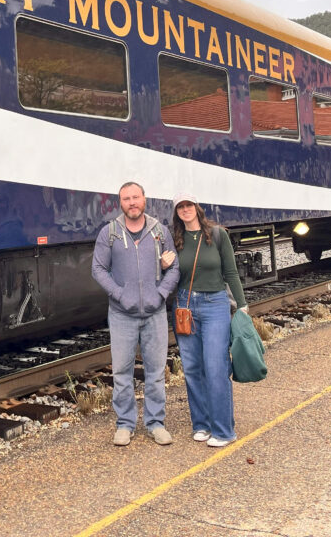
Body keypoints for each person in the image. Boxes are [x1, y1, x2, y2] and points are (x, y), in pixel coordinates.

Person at [92, 182, 180, 446]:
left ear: (144, 200)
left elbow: (174, 267)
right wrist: (120, 295)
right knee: (121, 372)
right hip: (121, 315)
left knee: (155, 372)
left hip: (154, 314)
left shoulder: (159, 231)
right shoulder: (110, 233)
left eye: (135, 197)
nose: (132, 202)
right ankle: (125, 424)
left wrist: (160, 293)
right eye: (126, 198)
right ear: (121, 203)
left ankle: (155, 423)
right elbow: (98, 269)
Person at [171, 197, 247, 447]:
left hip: (215, 304)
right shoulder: (176, 240)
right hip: (184, 306)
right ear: (176, 212)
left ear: (197, 207)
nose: (185, 210)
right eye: (180, 207)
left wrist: (242, 305)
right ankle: (201, 424)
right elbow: (170, 276)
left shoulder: (217, 235)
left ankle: (224, 430)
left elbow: (231, 272)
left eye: (188, 205)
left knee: (216, 367)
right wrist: (163, 266)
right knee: (192, 368)